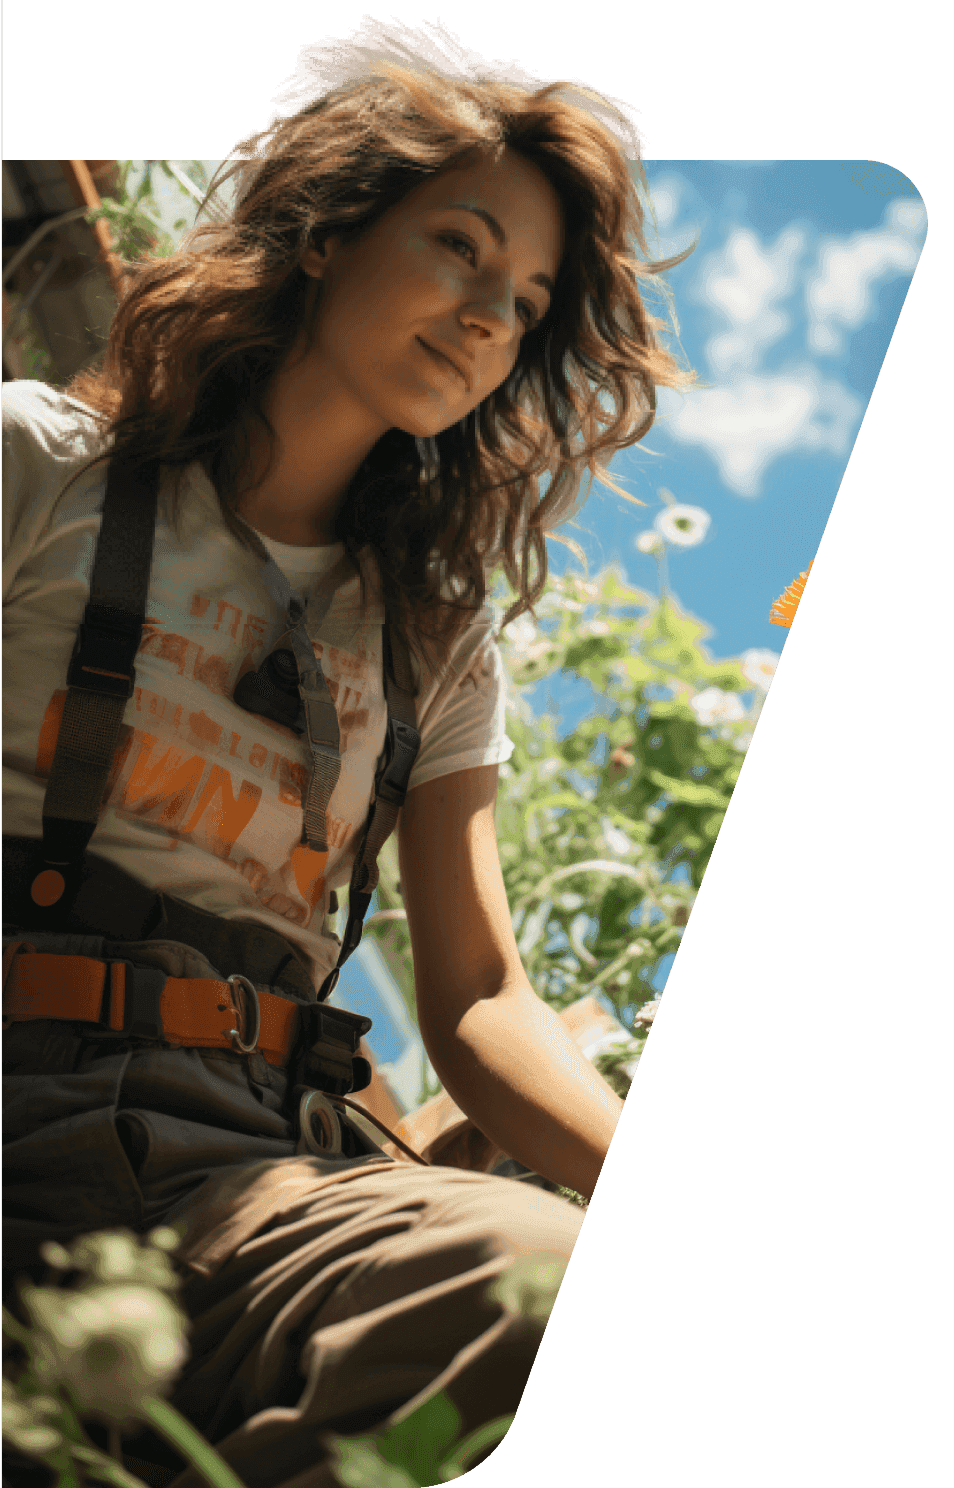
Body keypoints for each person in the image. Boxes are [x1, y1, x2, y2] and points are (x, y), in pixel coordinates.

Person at [2, 59, 694, 1488]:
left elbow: (485, 999)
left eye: (525, 305)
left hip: (237, 1175)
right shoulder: (40, 464)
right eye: (461, 245)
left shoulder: (431, 639)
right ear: (329, 232)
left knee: (544, 1291)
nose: (488, 316)